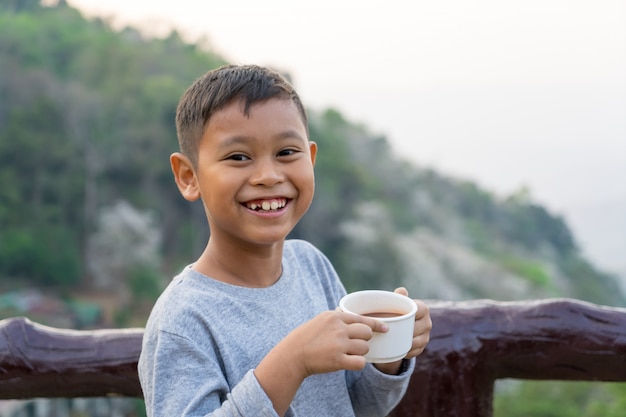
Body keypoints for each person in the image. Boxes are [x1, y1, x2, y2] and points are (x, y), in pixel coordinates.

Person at [138, 64, 432, 417]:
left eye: (286, 153)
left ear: (310, 159)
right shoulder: (183, 321)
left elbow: (357, 407)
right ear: (189, 176)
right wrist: (292, 362)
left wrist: (389, 354)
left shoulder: (312, 266)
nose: (268, 175)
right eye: (238, 157)